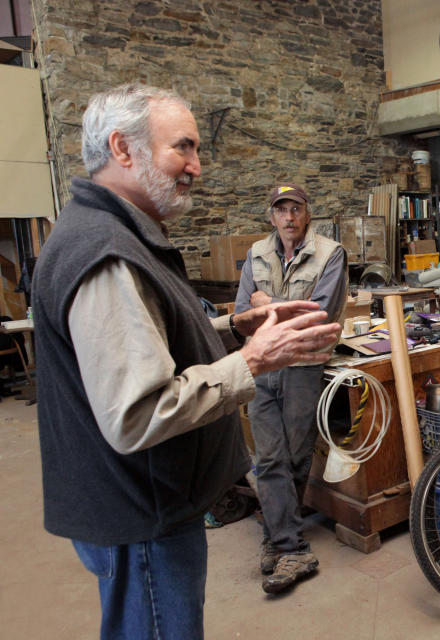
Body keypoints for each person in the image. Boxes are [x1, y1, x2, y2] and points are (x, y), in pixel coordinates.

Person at [32, 84, 341, 639]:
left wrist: (227, 327)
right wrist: (252, 360)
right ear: (122, 149)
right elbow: (138, 412)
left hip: (143, 506)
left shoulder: (114, 235)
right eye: (183, 148)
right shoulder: (107, 254)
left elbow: (147, 337)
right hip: (143, 513)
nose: (197, 166)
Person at [234, 183, 347, 593]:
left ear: (307, 212)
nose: (288, 217)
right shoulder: (256, 254)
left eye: (295, 208)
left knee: (297, 457)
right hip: (263, 366)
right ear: (271, 216)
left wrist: (268, 304)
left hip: (303, 366)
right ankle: (291, 546)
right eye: (281, 209)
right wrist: (267, 309)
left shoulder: (330, 254)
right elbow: (242, 316)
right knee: (269, 457)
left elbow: (316, 318)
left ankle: (275, 538)